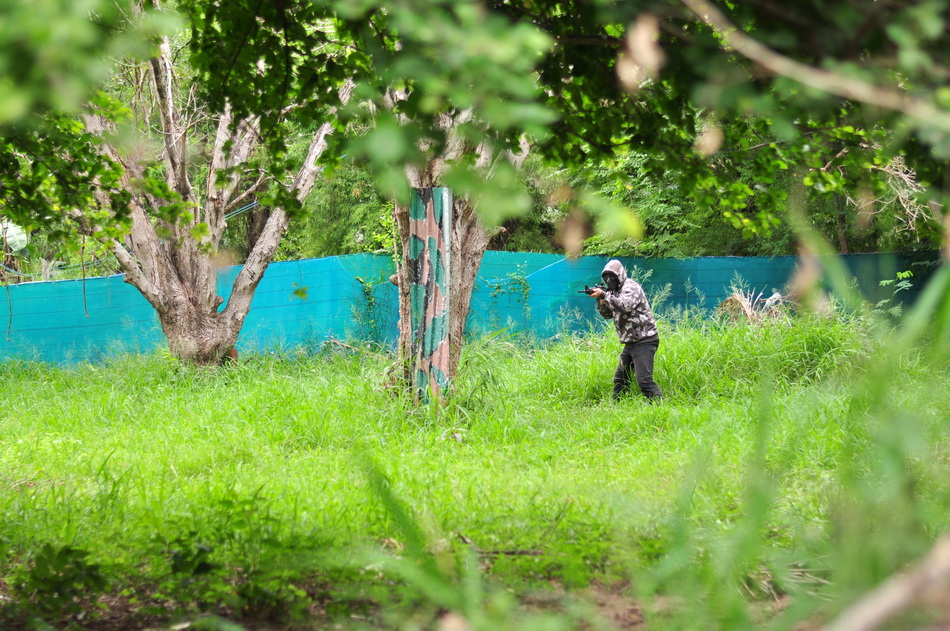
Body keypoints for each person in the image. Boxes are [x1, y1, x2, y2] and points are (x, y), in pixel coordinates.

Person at [587, 260, 662, 401]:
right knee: (620, 380)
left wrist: (604, 295)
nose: (609, 281)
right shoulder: (613, 292)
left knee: (644, 381)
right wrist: (601, 302)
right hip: (631, 341)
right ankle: (617, 407)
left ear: (620, 275)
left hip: (644, 339)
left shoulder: (630, 287)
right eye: (606, 278)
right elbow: (608, 315)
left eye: (612, 277)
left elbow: (624, 306)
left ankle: (661, 408)